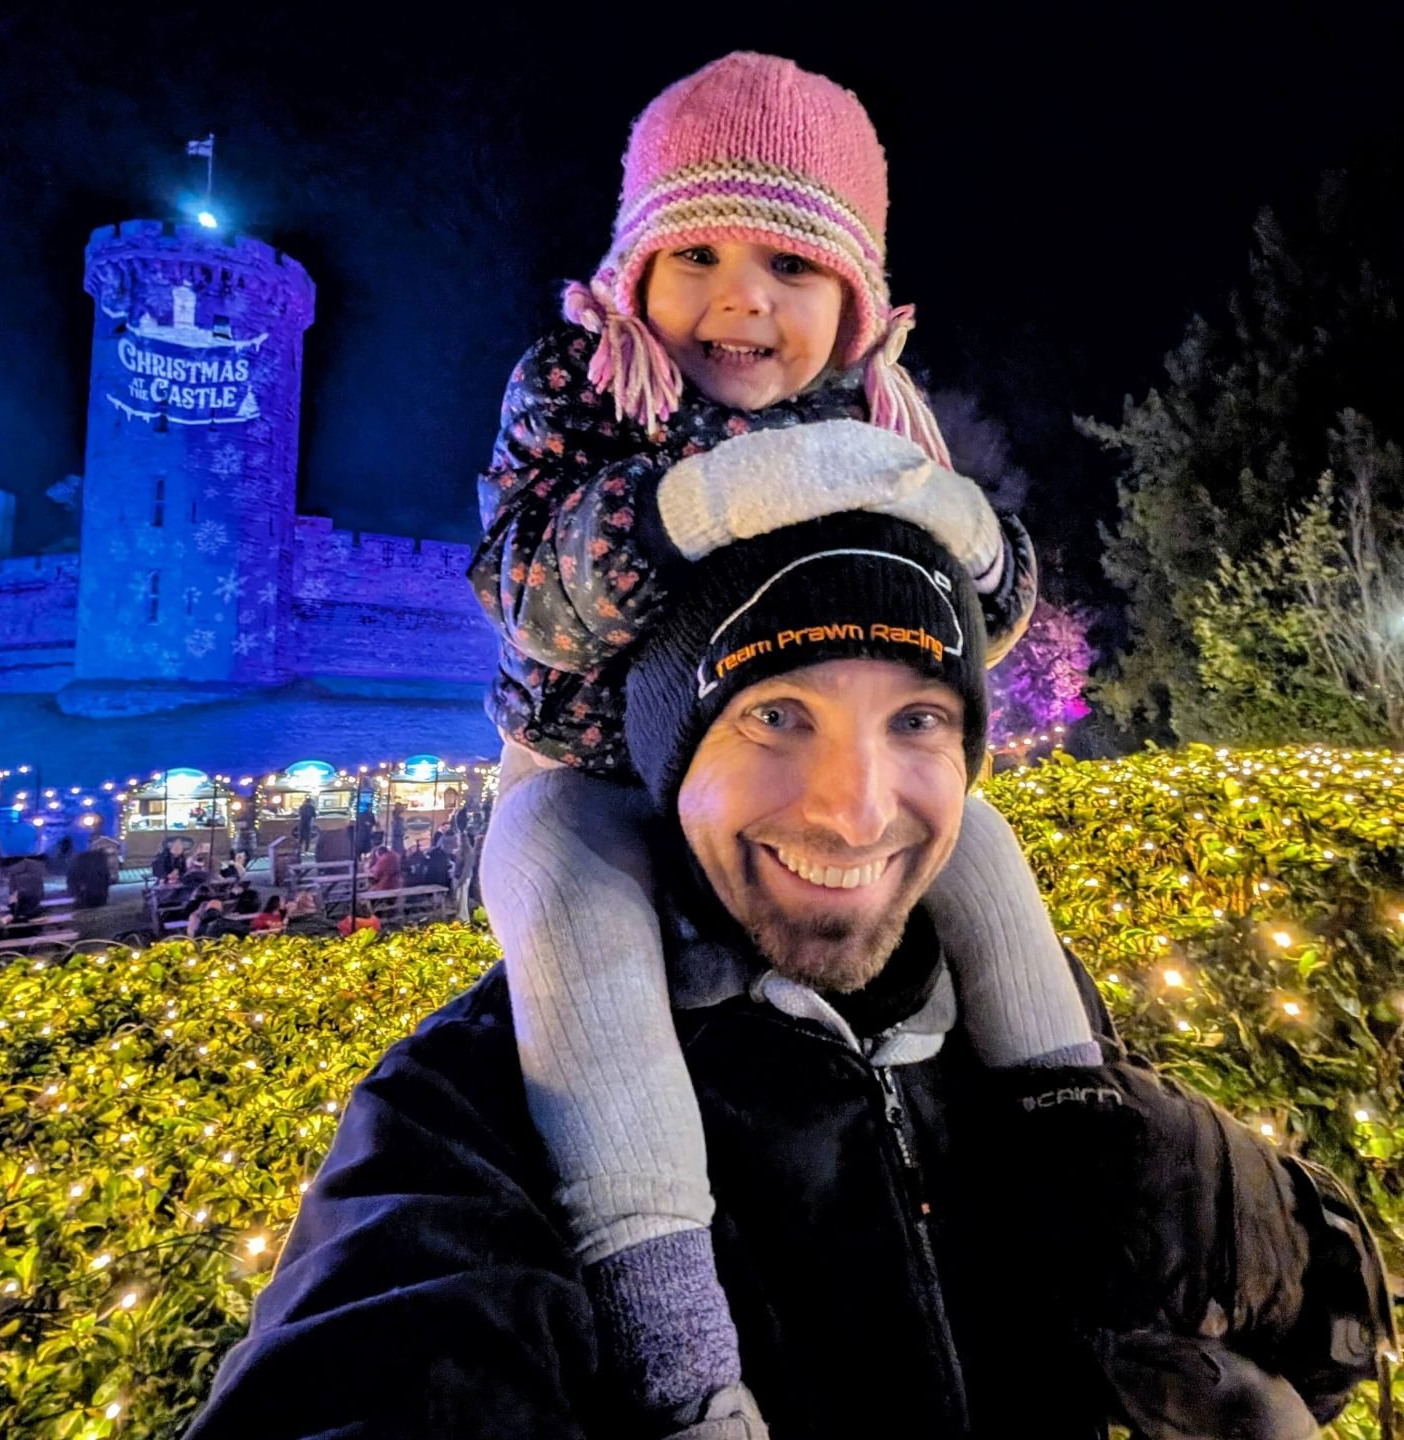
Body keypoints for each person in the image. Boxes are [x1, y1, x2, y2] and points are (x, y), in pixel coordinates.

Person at [184, 513, 1392, 1439]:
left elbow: (1338, 1342)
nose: (854, 809)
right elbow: (381, 1364)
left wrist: (1227, 1219)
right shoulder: (475, 1101)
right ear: (669, 755)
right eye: (776, 716)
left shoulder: (1014, 1018)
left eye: (917, 719)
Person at [465, 51, 1062, 1425]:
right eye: (701, 256)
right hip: (593, 775)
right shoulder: (583, 386)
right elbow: (519, 590)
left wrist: (976, 543)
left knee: (980, 850)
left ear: (856, 304)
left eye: (792, 268)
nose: (742, 296)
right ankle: (672, 1338)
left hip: (793, 780)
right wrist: (702, 500)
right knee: (570, 919)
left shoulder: (870, 418)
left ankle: (1082, 1131)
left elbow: (987, 611)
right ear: (632, 279)